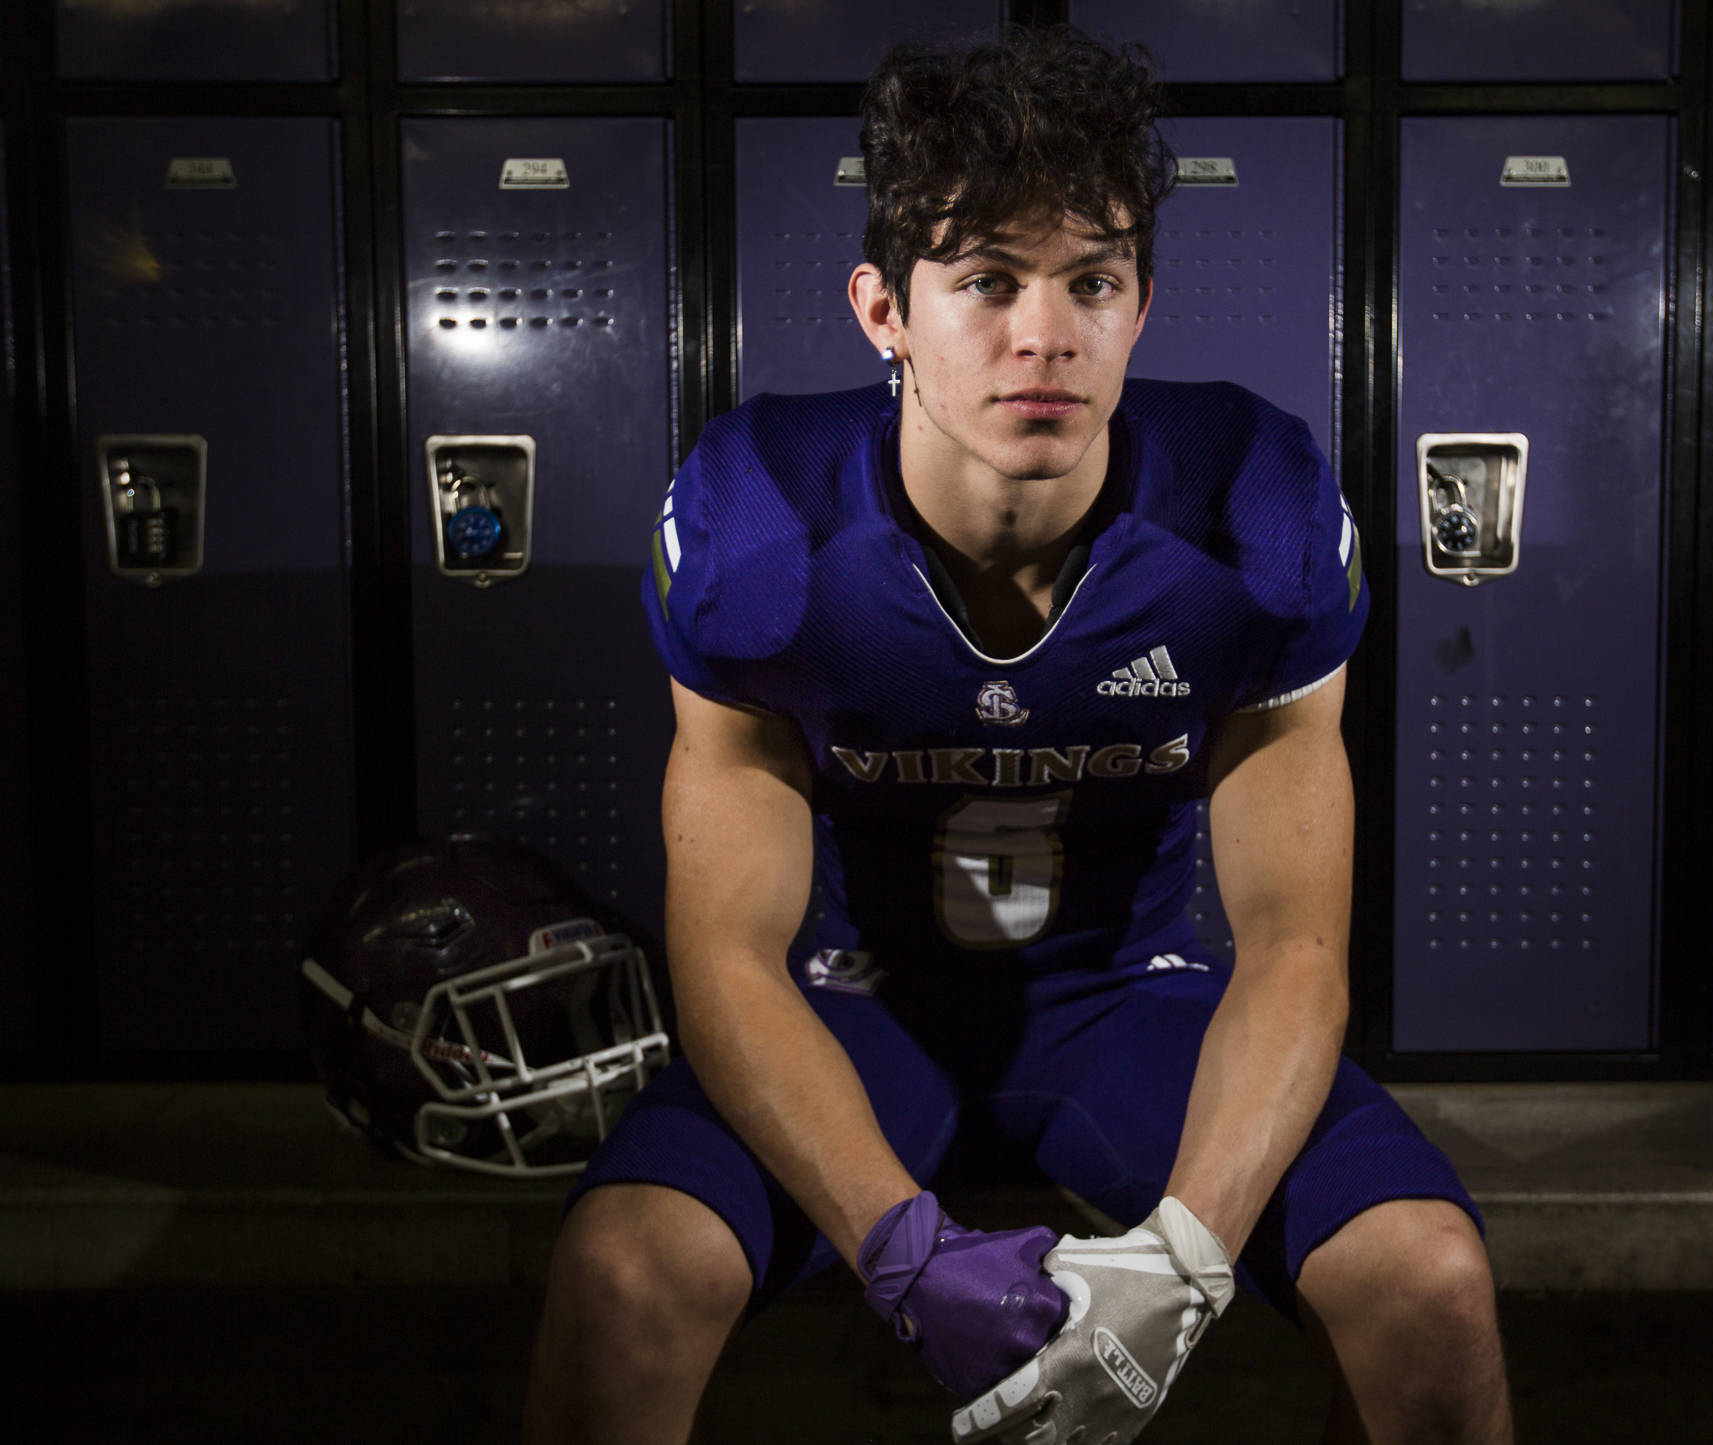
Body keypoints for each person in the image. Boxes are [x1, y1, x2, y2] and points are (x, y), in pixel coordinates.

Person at [523, 26, 1512, 1445]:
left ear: (1142, 306)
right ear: (884, 310)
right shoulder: (764, 532)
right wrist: (901, 1248)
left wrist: (1182, 1258)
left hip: (1131, 1000)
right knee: (623, 1277)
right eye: (985, 281)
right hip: (852, 1004)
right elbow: (729, 955)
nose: (1043, 335)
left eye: (1090, 282)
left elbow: (1296, 946)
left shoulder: (1254, 518)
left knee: (1431, 1281)